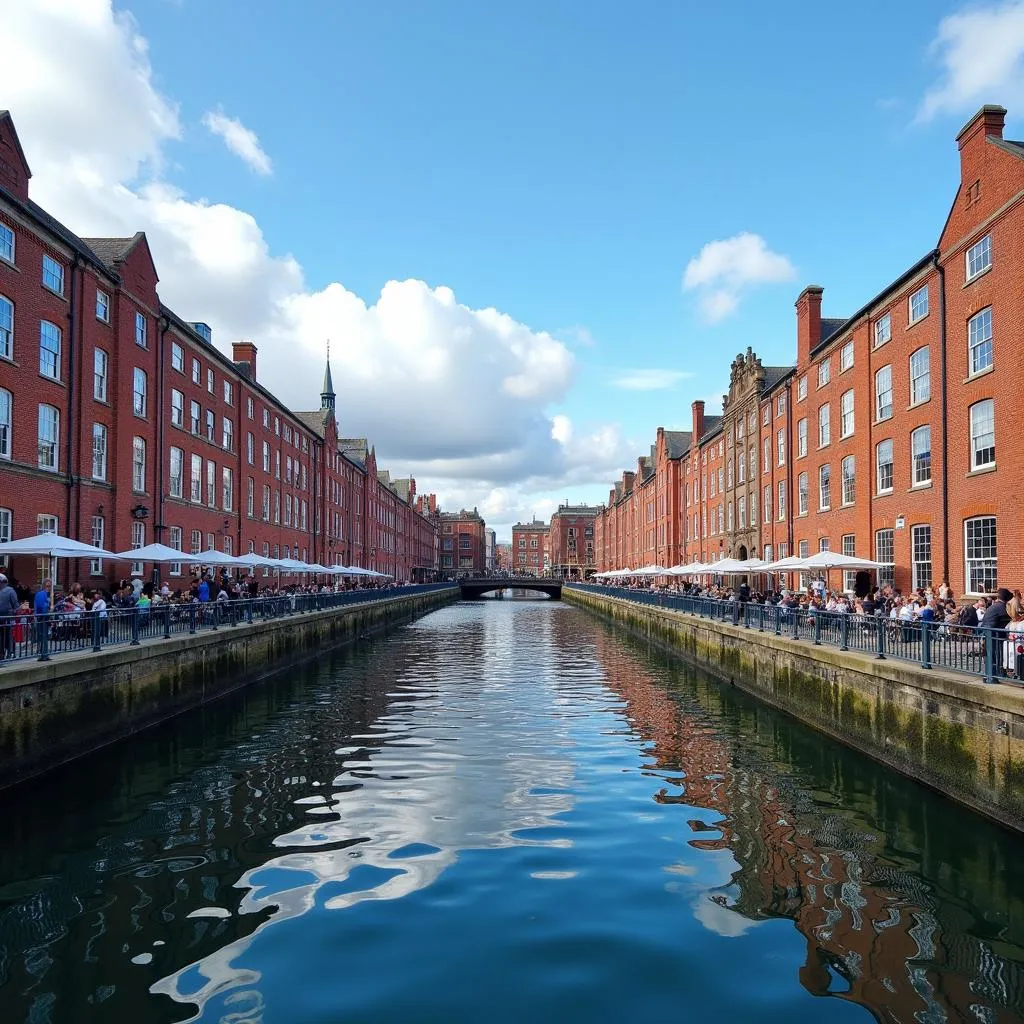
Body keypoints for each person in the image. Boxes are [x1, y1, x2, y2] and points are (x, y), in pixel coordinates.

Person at [0, 573, 18, 659]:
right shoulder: (10, 590)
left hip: (5, 618)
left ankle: (6, 653)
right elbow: (16, 605)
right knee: (7, 636)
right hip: (6, 618)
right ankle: (8, 652)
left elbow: (15, 605)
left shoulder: (10, 590)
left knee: (5, 636)